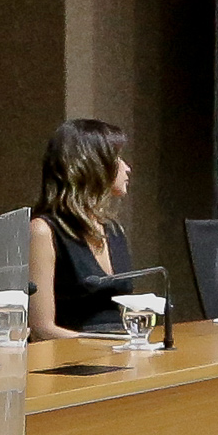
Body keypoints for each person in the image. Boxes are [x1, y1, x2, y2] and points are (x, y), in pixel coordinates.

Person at [26, 118, 138, 339]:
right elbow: (41, 330)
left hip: (120, 354)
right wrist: (108, 346)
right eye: (117, 157)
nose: (127, 168)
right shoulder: (43, 231)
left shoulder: (113, 230)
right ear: (93, 165)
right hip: (71, 362)